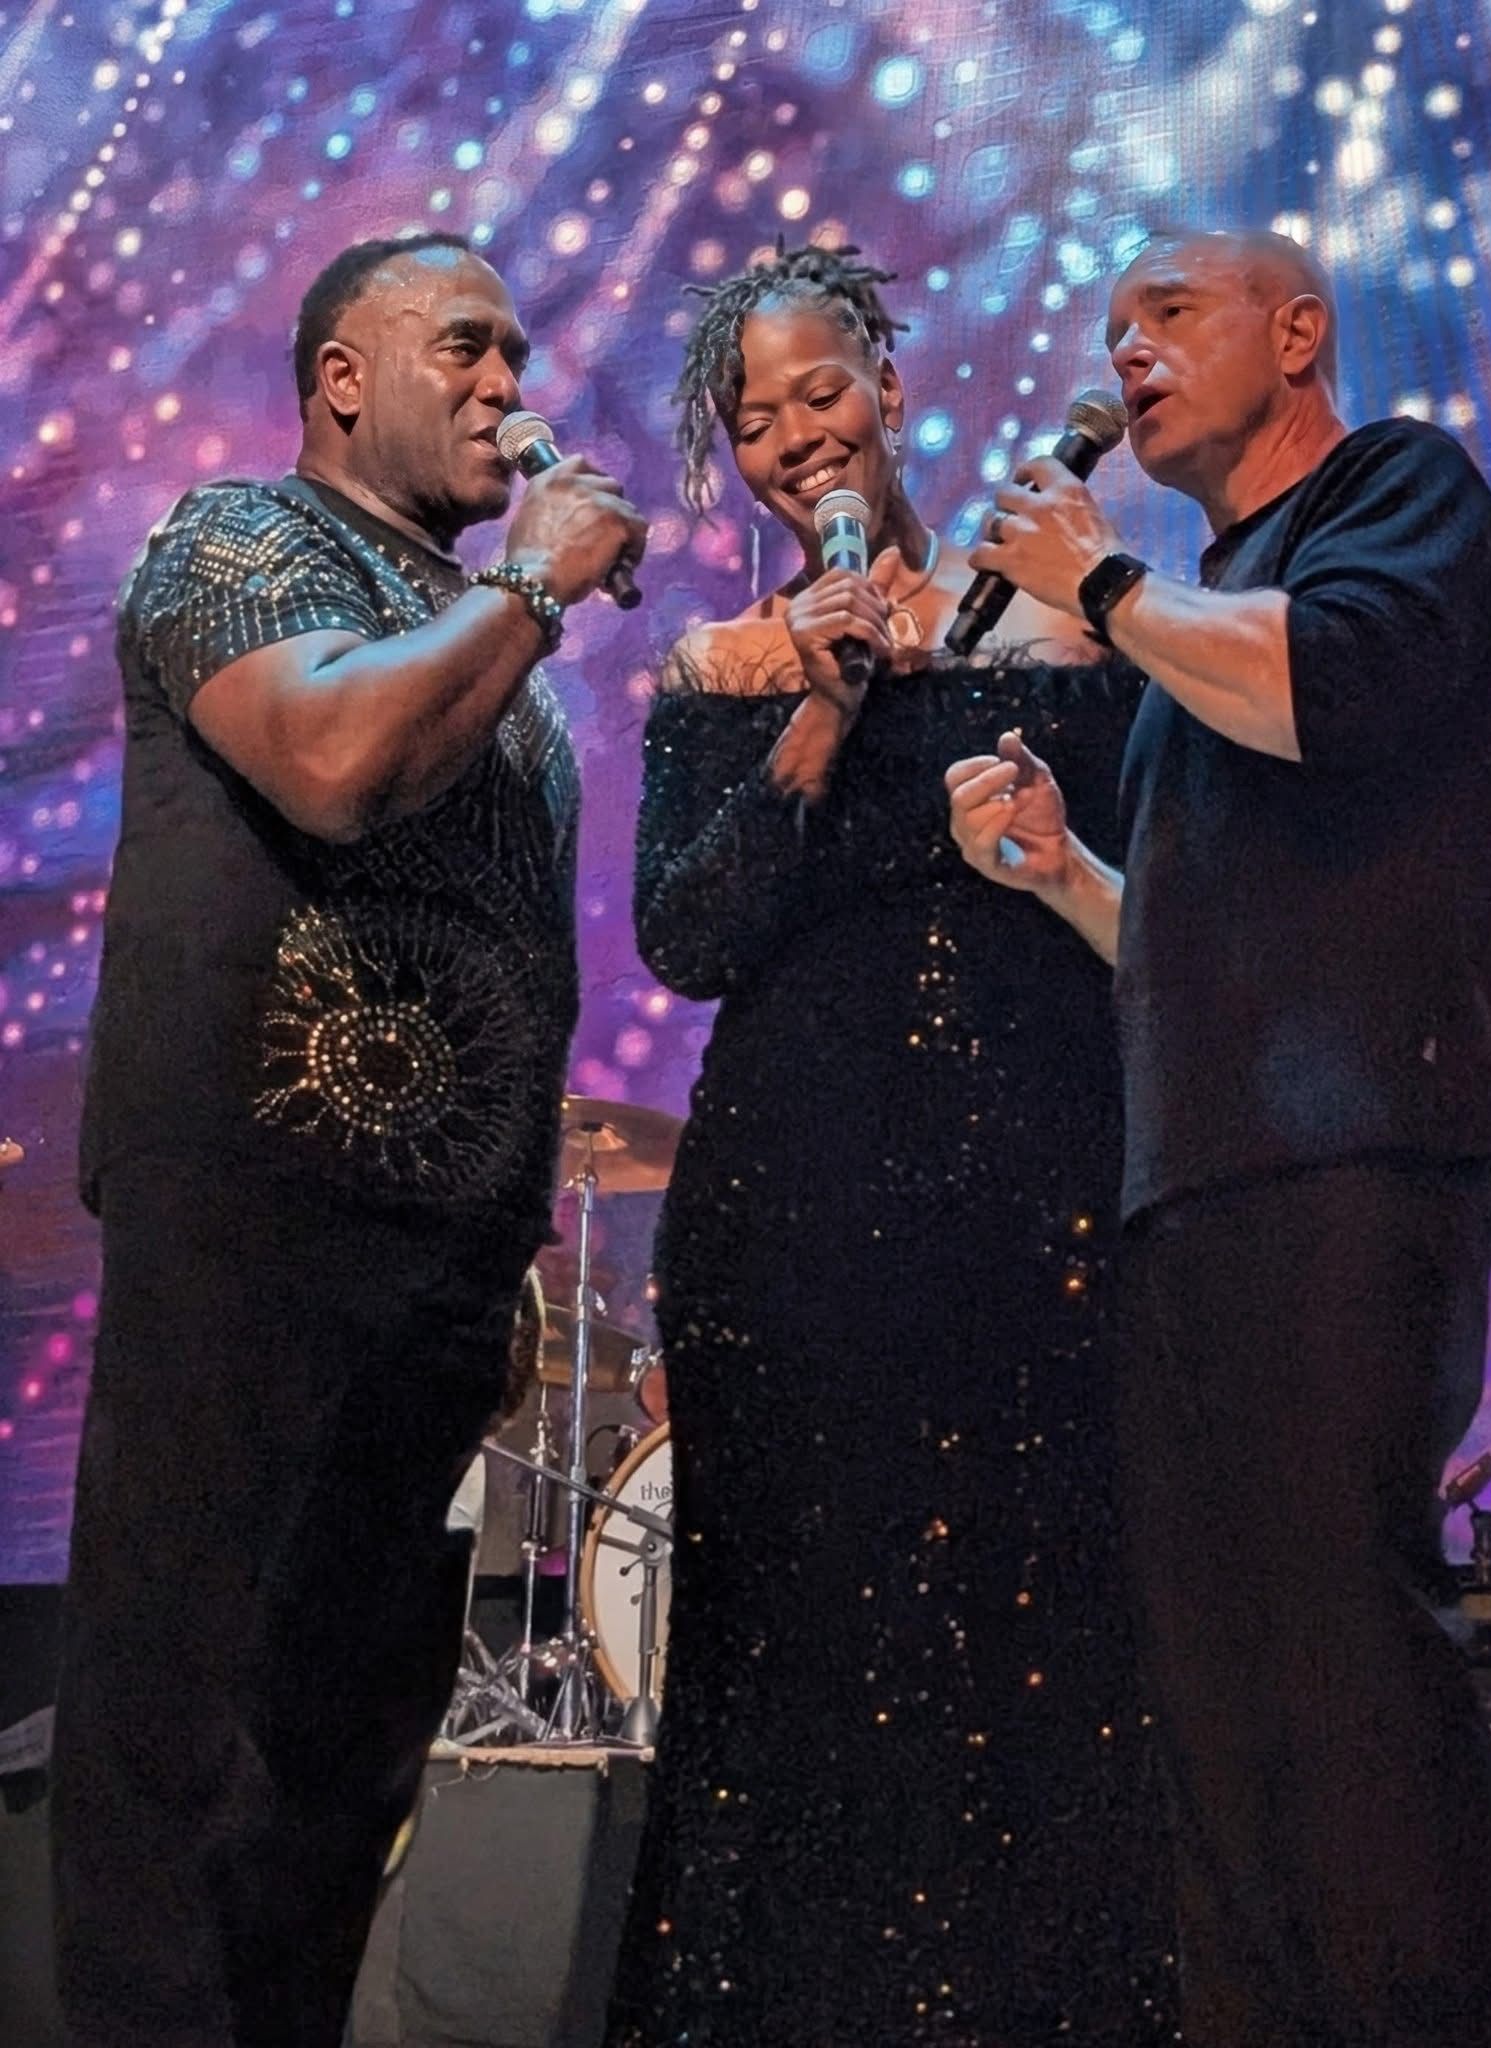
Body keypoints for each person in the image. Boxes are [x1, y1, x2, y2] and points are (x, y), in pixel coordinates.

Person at [54, 231, 646, 2048]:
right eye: (464, 347)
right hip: (258, 1230)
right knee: (192, 1742)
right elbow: (326, 760)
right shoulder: (239, 541)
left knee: (338, 1771)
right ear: (341, 376)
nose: (508, 386)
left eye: (518, 354)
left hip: (436, 1280)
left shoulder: (505, 676)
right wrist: (533, 592)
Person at [946, 227, 1491, 2048]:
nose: (1125, 355)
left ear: (1295, 333)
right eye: (1108, 329)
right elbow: (1196, 950)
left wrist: (1102, 586)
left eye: (1166, 317)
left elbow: (1335, 687)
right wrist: (1063, 880)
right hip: (1197, 1174)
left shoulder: (1395, 489)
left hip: (1357, 1144)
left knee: (1342, 1642)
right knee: (1216, 1671)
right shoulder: (1205, 607)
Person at [603, 243, 1173, 2048]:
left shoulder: (1065, 617)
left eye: (818, 395)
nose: (790, 441)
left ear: (892, 389)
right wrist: (820, 712)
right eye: (749, 420)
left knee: (1050, 1618)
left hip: (1047, 1186)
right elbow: (689, 942)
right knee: (811, 1636)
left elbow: (1179, 894)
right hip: (800, 1204)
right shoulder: (726, 664)